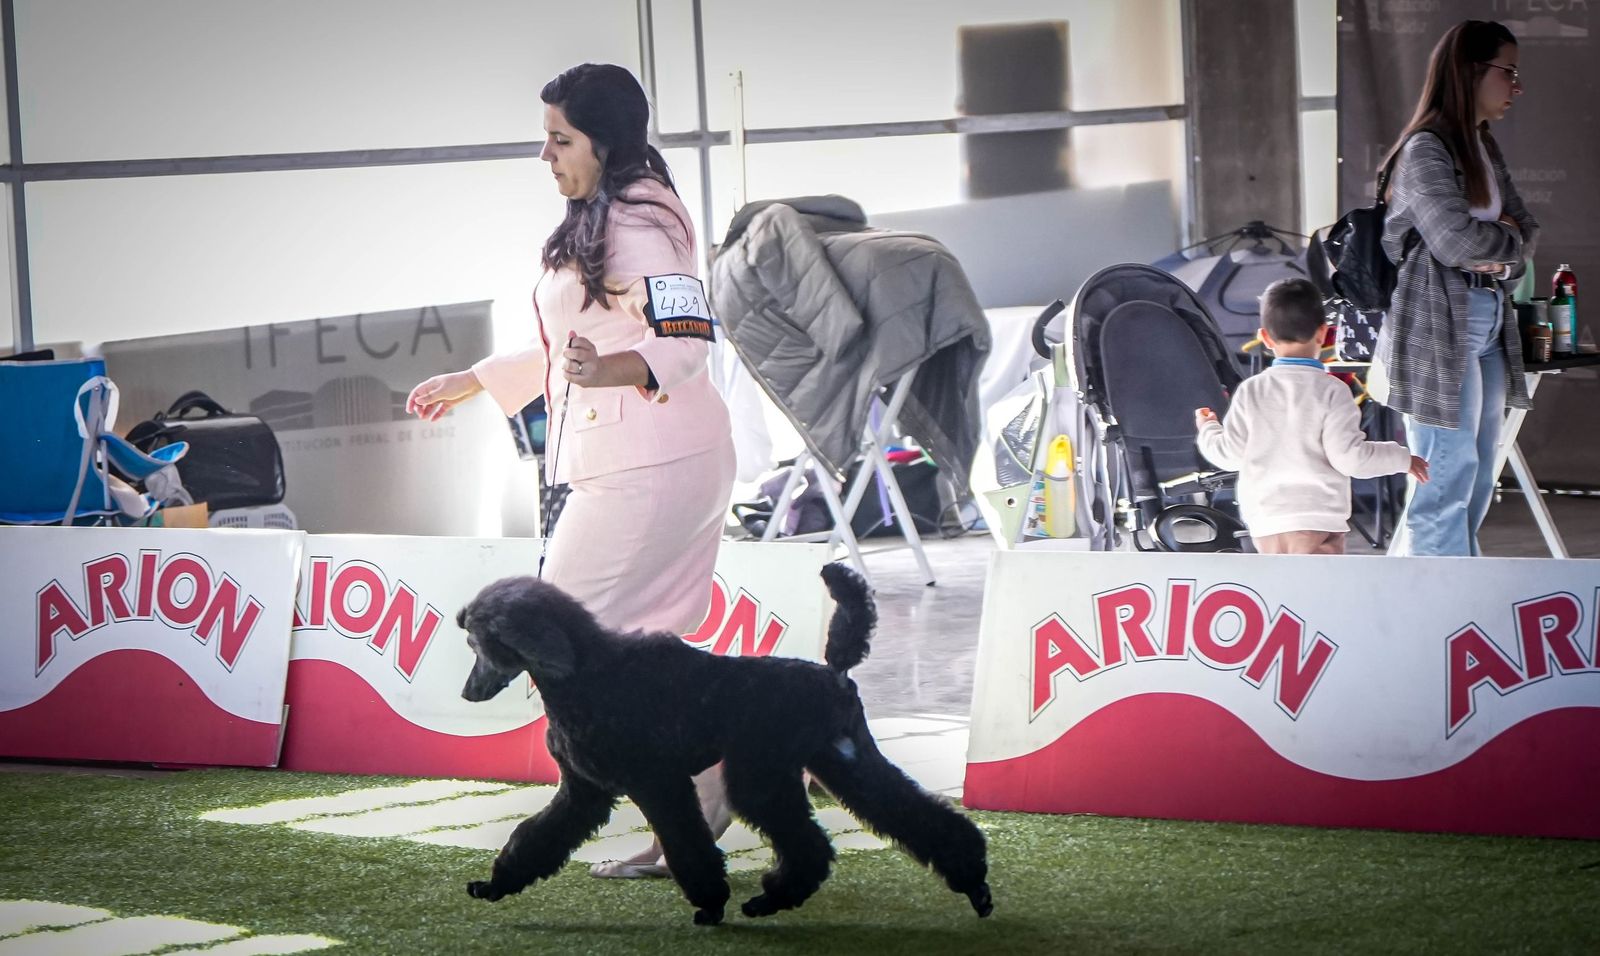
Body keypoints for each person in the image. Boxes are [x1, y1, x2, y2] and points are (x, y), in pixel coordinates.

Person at [406, 63, 735, 878]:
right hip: (638, 460)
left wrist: (613, 372)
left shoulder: (642, 221)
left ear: (606, 140)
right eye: (546, 138)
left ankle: (685, 788)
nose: (546, 155)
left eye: (560, 139)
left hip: (654, 464)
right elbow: (570, 340)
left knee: (557, 636)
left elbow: (688, 338)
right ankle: (708, 790)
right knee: (633, 648)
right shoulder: (604, 212)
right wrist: (479, 380)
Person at [1368, 19, 1538, 556]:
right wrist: (1502, 242)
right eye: (1507, 72)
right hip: (1438, 323)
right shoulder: (1426, 149)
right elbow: (1453, 242)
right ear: (1470, 72)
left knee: (1481, 468)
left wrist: (1501, 252)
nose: (1516, 86)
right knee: (1445, 470)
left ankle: (1457, 592)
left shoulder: (1481, 144)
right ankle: (1439, 612)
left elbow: (1527, 230)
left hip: (1486, 317)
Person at [1196, 278, 1429, 555]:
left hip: (1265, 518)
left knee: (1281, 594)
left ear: (1265, 337)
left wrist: (1208, 427)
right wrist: (1401, 458)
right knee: (1319, 593)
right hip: (1320, 517)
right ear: (1323, 333)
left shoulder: (1251, 391)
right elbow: (1350, 458)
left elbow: (1228, 455)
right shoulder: (1333, 391)